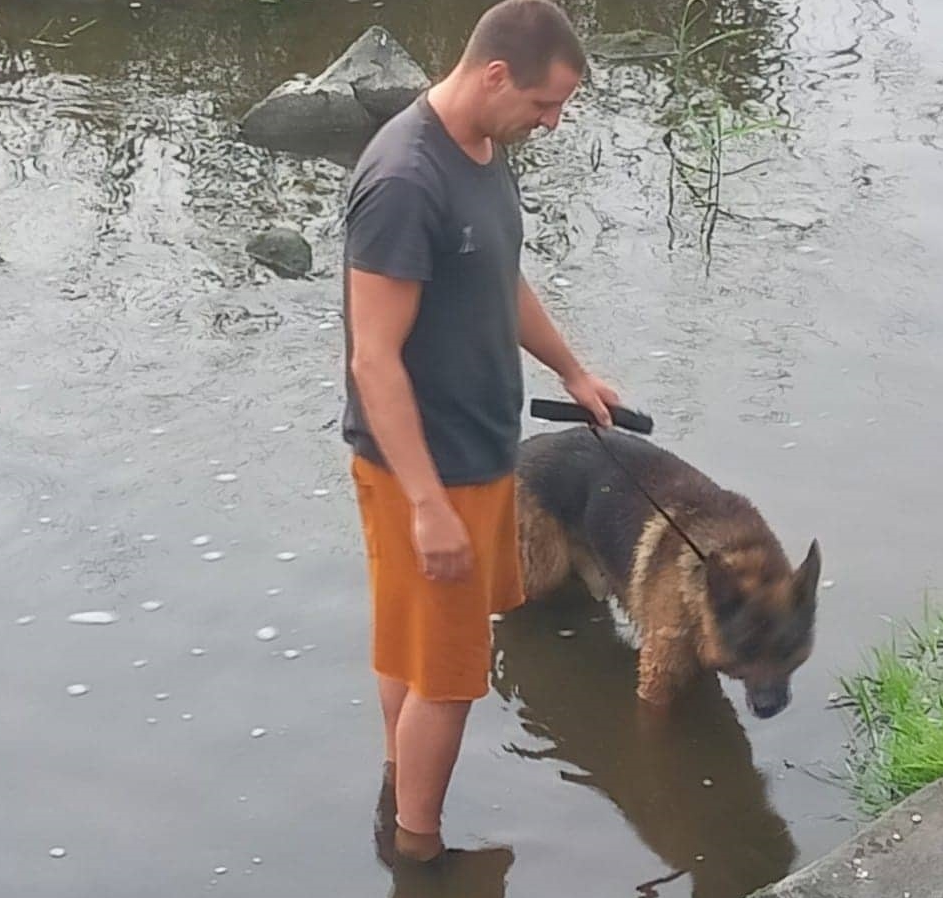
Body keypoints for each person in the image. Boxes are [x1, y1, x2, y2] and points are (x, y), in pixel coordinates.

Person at [340, 0, 621, 866]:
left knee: (410, 645)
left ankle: (400, 793)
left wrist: (572, 371)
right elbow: (374, 361)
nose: (553, 121)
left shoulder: (485, 149)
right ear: (496, 75)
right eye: (546, 105)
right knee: (453, 678)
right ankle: (422, 855)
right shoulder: (404, 180)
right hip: (431, 471)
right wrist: (429, 505)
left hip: (473, 454)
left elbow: (501, 275)